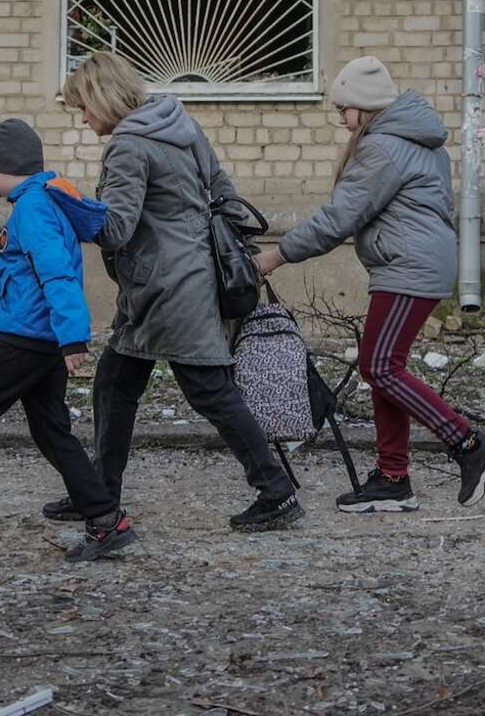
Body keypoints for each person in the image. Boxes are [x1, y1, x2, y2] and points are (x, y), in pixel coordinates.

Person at [44, 52, 302, 532]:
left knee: (211, 392)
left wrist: (66, 204)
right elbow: (224, 192)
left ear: (103, 98)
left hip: (166, 288)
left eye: (84, 107)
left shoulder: (128, 146)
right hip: (185, 279)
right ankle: (98, 493)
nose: (83, 118)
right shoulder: (179, 124)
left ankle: (277, 491)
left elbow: (117, 229)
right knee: (115, 385)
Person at [255, 56, 485, 514]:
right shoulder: (416, 141)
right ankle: (393, 478)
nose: (341, 119)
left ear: (364, 106)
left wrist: (275, 256)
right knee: (384, 370)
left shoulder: (383, 147)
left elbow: (339, 218)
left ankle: (471, 445)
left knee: (380, 367)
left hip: (408, 266)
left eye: (343, 109)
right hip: (415, 263)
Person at [0, 118, 137, 564]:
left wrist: (74, 338)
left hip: (28, 337)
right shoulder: (41, 201)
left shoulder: (33, 207)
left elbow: (58, 273)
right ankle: (107, 519)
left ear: (7, 168)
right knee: (51, 431)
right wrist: (65, 337)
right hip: (42, 335)